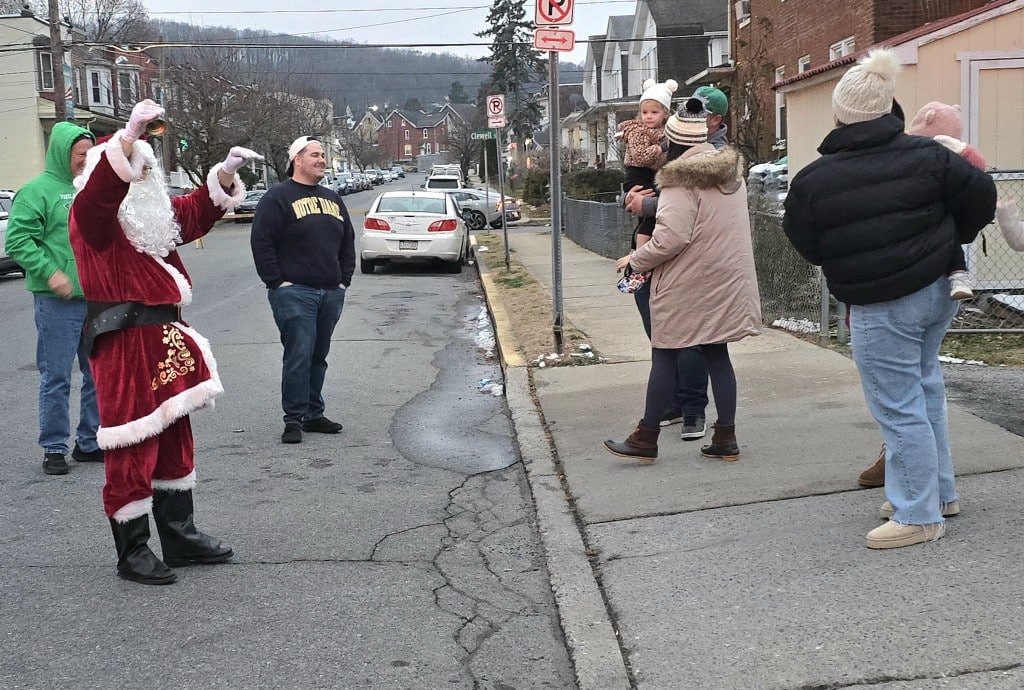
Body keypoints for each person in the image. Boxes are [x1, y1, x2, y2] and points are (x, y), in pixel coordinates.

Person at [783, 49, 996, 549]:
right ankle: (938, 493)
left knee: (899, 406)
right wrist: (949, 239)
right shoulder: (931, 156)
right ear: (888, 108)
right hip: (937, 290)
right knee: (924, 390)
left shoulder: (814, 179)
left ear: (839, 114)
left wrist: (845, 258)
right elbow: (981, 195)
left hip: (880, 302)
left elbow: (805, 240)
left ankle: (918, 513)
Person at [69, 99, 260, 584]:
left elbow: (189, 215)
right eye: (137, 167)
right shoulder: (94, 218)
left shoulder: (148, 220)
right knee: (132, 441)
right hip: (124, 341)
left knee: (175, 436)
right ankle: (132, 549)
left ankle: (179, 534)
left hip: (165, 338)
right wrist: (126, 140)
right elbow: (99, 198)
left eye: (148, 169)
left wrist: (225, 173)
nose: (146, 176)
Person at [604, 104, 762, 463]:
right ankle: (725, 437)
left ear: (675, 141)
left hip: (689, 282)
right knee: (717, 354)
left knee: (664, 352)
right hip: (725, 280)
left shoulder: (679, 180)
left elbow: (670, 239)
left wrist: (635, 260)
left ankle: (646, 438)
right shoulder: (731, 176)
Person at [857, 101, 991, 490]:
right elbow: (980, 184)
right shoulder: (940, 160)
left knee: (900, 398)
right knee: (924, 384)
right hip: (938, 282)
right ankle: (940, 488)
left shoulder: (911, 158)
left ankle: (915, 500)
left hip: (901, 283)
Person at [622, 87, 732, 440]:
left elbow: (683, 216)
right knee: (667, 340)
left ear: (716, 120)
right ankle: (680, 410)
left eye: (700, 112)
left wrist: (637, 253)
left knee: (687, 346)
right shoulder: (676, 147)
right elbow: (654, 187)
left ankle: (689, 411)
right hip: (662, 256)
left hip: (686, 265)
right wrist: (632, 197)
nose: (692, 117)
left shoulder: (716, 159)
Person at [4, 122, 103, 475]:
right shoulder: (36, 191)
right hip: (56, 301)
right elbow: (18, 241)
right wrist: (51, 273)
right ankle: (54, 447)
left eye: (90, 153)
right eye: (80, 154)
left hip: (96, 298)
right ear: (62, 153)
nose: (86, 160)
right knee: (57, 376)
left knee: (97, 374)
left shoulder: (91, 188)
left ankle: (89, 441)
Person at [251, 136, 355, 445]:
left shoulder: (333, 198)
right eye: (315, 155)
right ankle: (293, 419)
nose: (322, 160)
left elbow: (347, 241)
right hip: (295, 293)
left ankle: (313, 414)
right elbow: (262, 241)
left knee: (318, 355)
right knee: (299, 354)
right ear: (298, 159)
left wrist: (343, 280)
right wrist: (276, 282)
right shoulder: (277, 197)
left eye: (323, 155)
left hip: (330, 292)